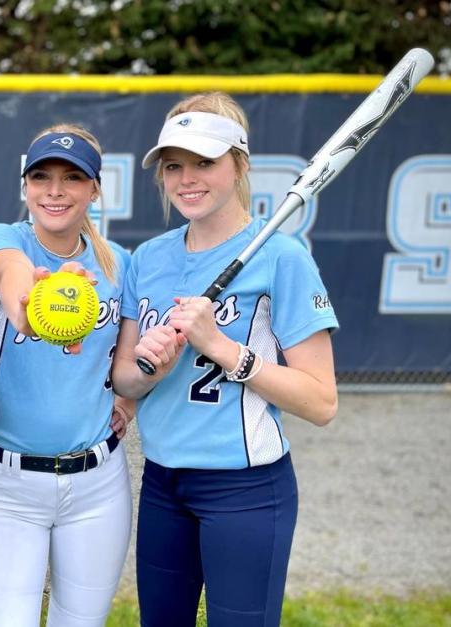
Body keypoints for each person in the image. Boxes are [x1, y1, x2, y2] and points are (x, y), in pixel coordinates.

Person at [111, 92, 339, 627]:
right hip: (163, 483)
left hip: (246, 489)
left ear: (238, 164)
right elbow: (124, 379)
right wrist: (148, 370)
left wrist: (224, 349)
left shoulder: (281, 257)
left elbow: (322, 402)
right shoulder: (148, 258)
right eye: (173, 166)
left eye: (204, 162)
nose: (187, 178)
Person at [0, 123, 136, 627]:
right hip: (5, 483)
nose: (54, 190)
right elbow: (9, 272)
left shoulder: (119, 265)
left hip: (98, 483)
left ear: (95, 188)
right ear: (25, 186)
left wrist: (129, 404)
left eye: (72, 177)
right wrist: (29, 297)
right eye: (41, 176)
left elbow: (123, 364)